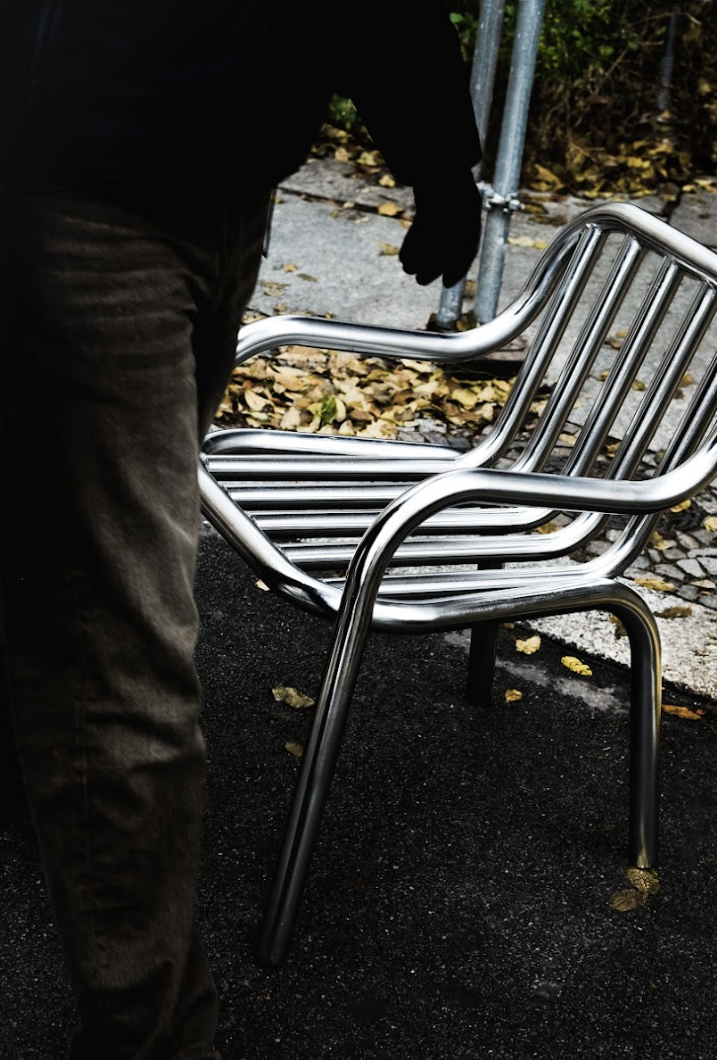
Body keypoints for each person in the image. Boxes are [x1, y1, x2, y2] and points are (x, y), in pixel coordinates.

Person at [0, 3, 482, 1058]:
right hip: (84, 190)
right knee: (118, 657)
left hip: (227, 191)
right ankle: (158, 1034)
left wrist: (441, 157)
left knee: (72, 570)